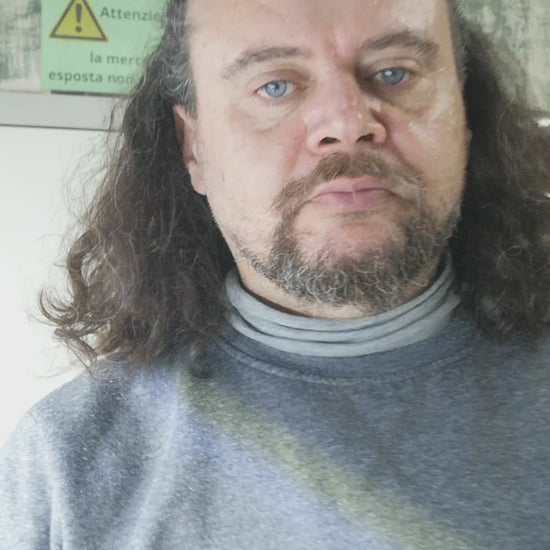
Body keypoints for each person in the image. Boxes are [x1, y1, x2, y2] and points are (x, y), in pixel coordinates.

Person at [1, 0, 549, 548]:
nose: (347, 124)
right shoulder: (64, 467)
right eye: (275, 87)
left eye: (394, 73)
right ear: (194, 147)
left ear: (464, 116)